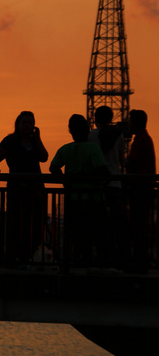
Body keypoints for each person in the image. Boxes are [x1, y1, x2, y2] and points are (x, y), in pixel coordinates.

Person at [53, 113, 110, 266]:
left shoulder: (65, 149)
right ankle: (101, 265)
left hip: (73, 200)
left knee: (78, 237)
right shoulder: (93, 148)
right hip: (93, 200)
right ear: (87, 130)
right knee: (99, 235)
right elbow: (103, 170)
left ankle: (78, 264)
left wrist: (66, 182)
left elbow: (53, 167)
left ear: (70, 131)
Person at [0, 111, 49, 264]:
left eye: (30, 123)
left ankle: (33, 256)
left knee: (36, 224)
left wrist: (38, 138)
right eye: (24, 122)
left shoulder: (34, 141)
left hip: (36, 189)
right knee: (16, 223)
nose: (27, 126)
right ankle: (14, 256)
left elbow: (44, 157)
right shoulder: (10, 141)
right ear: (18, 125)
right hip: (17, 188)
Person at [124, 110, 154, 272]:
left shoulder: (140, 140)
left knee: (138, 226)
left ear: (135, 123)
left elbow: (132, 164)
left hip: (140, 189)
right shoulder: (144, 139)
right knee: (140, 225)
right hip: (144, 188)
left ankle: (139, 261)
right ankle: (140, 259)